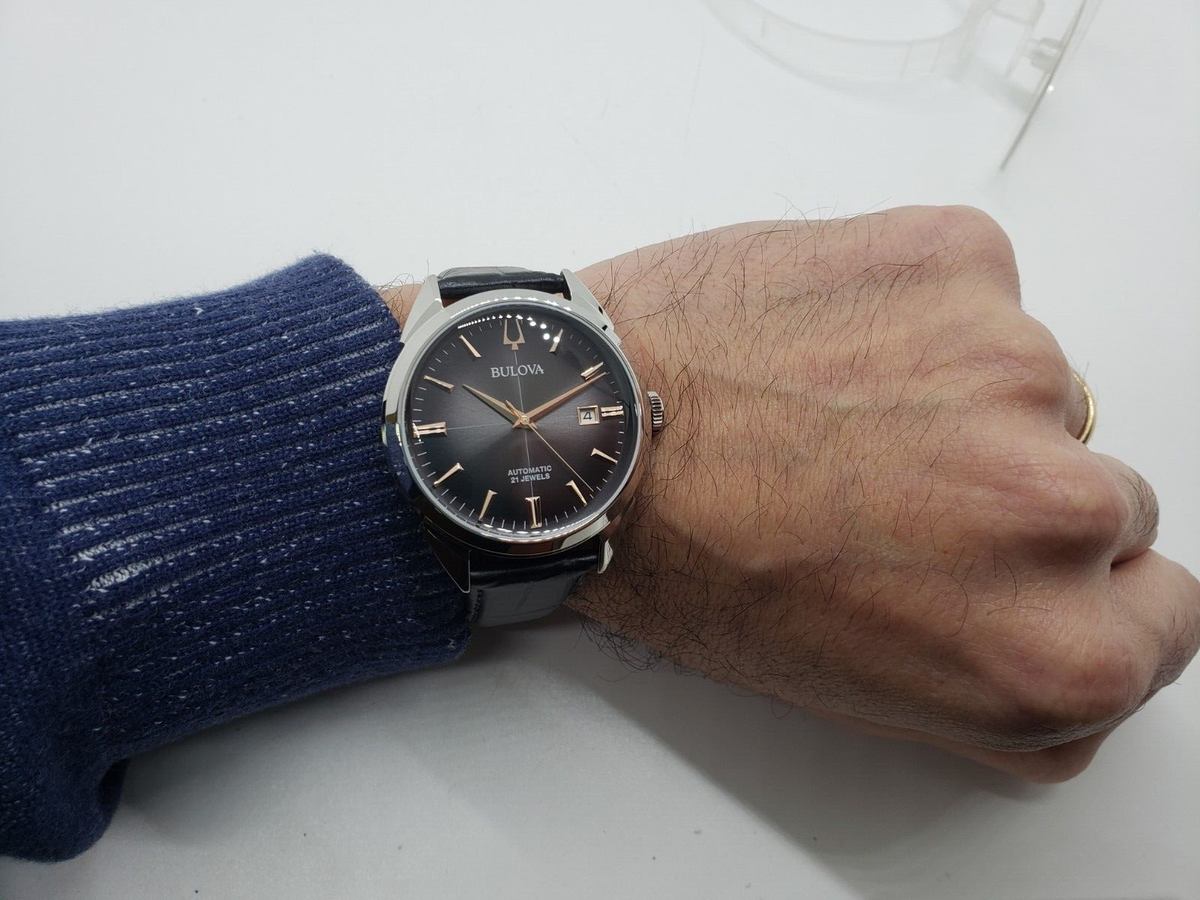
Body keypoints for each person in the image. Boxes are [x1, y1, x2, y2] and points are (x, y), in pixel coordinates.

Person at [2, 206, 1196, 862]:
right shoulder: (457, 422)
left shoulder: (579, 398)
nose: (531, 420)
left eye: (643, 414)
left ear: (644, 411)